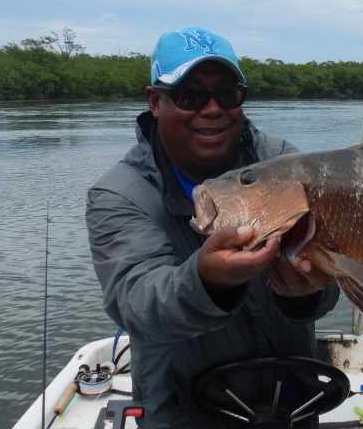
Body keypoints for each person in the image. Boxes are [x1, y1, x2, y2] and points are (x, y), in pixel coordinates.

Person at [87, 27, 339, 427]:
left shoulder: (285, 163)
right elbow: (138, 302)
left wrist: (304, 295)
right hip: (185, 412)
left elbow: (328, 278)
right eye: (189, 96)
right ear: (155, 101)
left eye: (227, 93)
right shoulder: (120, 194)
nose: (212, 109)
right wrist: (207, 282)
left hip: (291, 404)